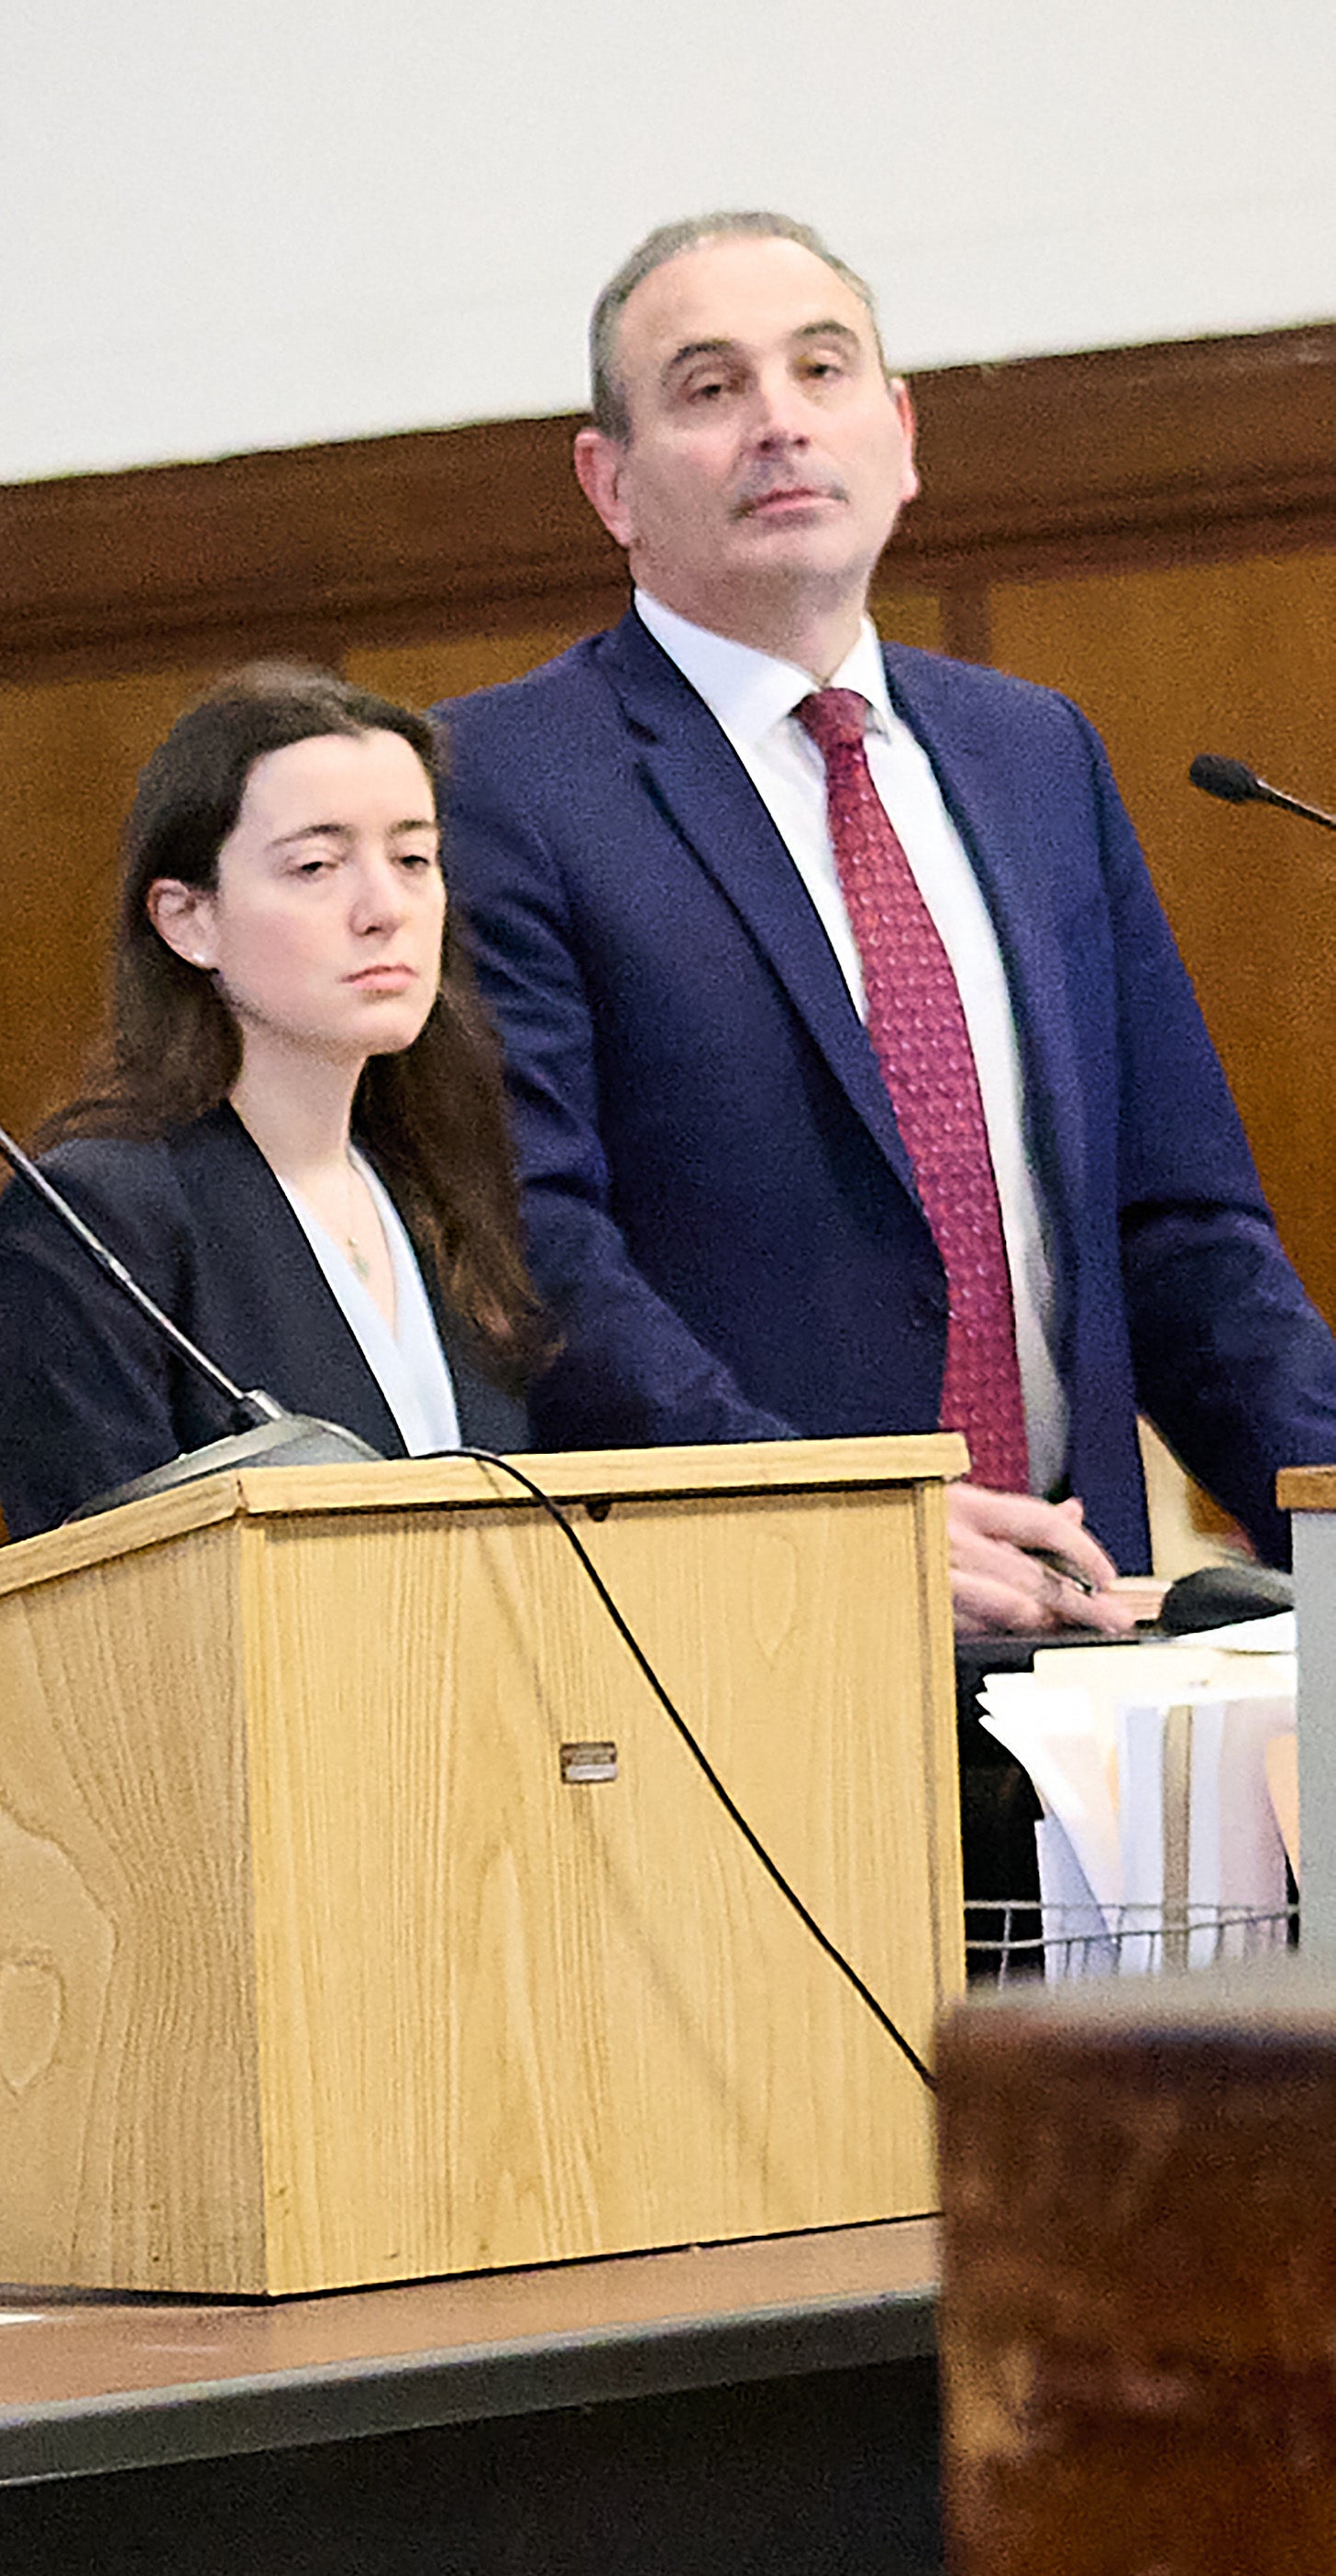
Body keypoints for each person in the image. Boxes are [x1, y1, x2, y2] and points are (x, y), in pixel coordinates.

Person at [444, 210, 1336, 1634]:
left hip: (1081, 1622)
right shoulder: (502, 783)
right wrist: (851, 1530)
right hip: (741, 1632)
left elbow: (1178, 1228)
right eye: (711, 388)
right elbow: (532, 1245)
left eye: (821, 370)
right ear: (607, 482)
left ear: (903, 434)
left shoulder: (1033, 751)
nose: (781, 426)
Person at [0, 668, 553, 1534]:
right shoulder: (95, 1219)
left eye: (412, 858)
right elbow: (99, 1608)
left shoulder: (439, 1178)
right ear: (187, 920)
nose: (383, 908)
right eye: (316, 865)